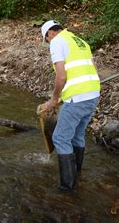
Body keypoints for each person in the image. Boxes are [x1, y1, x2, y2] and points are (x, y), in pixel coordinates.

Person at [41, 19, 100, 191]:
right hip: (93, 94)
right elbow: (93, 70)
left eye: (46, 39)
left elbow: (61, 76)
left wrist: (53, 99)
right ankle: (77, 174)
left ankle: (68, 187)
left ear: (50, 33)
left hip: (78, 98)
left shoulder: (57, 41)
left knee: (60, 138)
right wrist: (62, 97)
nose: (48, 42)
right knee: (77, 136)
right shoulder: (80, 41)